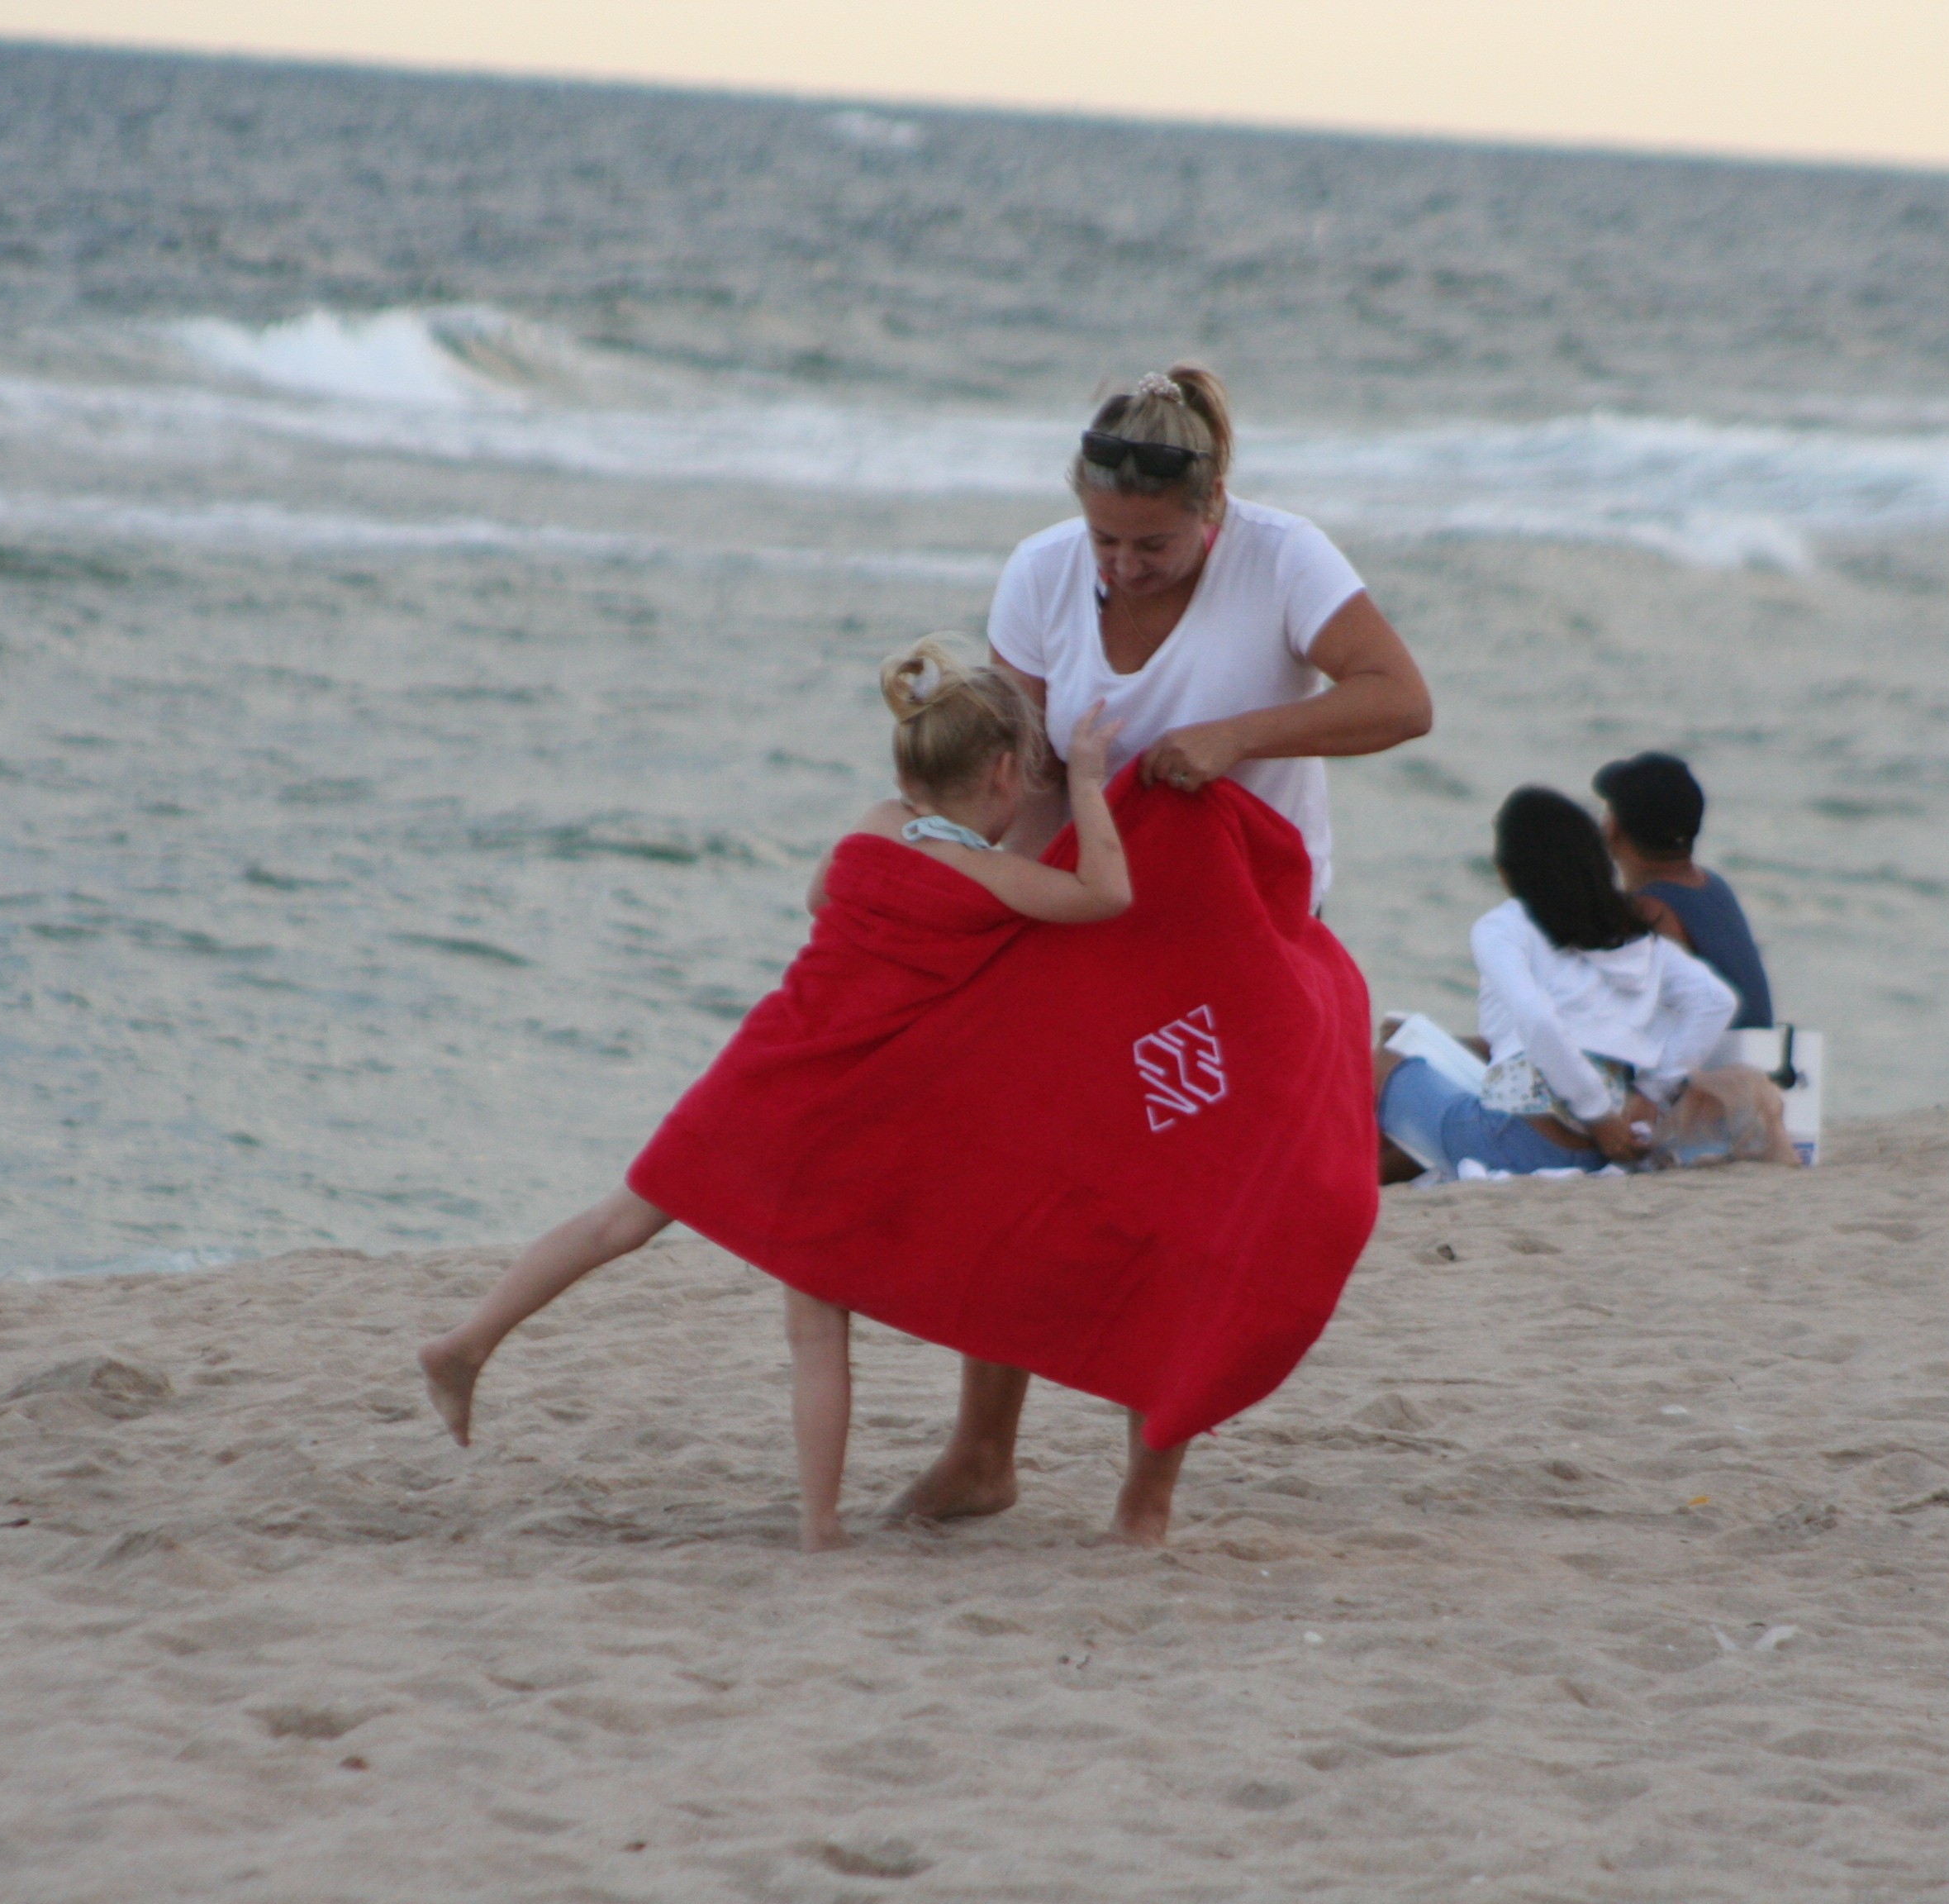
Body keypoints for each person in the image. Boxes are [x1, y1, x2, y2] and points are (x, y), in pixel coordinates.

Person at [417, 640, 1131, 1552]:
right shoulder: (992, 879)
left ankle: (466, 1342)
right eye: (1026, 782)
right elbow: (1105, 893)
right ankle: (818, 1528)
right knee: (818, 1324)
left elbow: (819, 898)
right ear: (1003, 775)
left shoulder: (872, 828)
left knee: (618, 1221)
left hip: (761, 1066)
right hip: (835, 1110)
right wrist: (1091, 782)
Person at [896, 363, 1432, 1541]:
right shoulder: (1045, 569)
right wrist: (947, 884)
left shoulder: (1286, 559)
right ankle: (982, 1454)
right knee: (1023, 1178)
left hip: (1246, 941)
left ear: (1214, 506)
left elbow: (1401, 700)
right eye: (1106, 540)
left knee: (1195, 1210)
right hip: (1087, 917)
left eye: (1151, 547)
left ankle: (1149, 1489)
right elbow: (1018, 773)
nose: (1121, 568)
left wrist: (1236, 737)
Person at [1376, 787, 1738, 1177]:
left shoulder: (1505, 926)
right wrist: (1653, 1092)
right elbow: (1714, 1001)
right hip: (1604, 1150)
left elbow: (1539, 1021)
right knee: (1421, 1048)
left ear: (1507, 870)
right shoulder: (1637, 939)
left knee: (1381, 1061)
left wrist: (1597, 1114)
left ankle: (1330, 1174)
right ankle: (1367, 1173)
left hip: (1514, 1140)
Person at [1592, 751, 1773, 1031]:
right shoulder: (1712, 885)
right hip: (1755, 1055)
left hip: (1715, 1066)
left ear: (1614, 828)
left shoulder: (1648, 911)